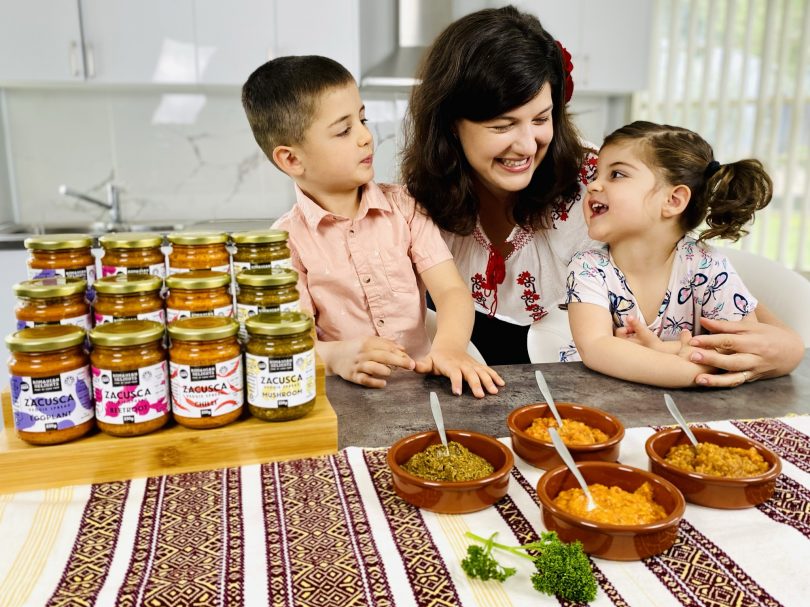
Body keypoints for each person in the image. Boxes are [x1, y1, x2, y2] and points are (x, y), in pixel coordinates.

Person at [400, 4, 804, 382]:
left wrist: (787, 348)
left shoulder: (598, 188)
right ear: (452, 123)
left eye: (541, 119)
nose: (526, 145)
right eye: (503, 126)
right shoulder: (413, 205)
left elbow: (681, 263)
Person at [241, 55, 503, 397]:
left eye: (363, 119)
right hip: (341, 399)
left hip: (423, 390)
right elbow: (289, 347)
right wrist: (335, 356)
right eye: (344, 130)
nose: (366, 136)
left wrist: (450, 348)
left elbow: (451, 292)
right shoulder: (284, 244)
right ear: (291, 159)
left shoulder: (405, 208)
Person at [562, 121, 772, 387]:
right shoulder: (587, 267)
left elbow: (741, 347)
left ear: (673, 201)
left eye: (616, 175)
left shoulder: (706, 266)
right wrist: (690, 368)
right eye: (595, 175)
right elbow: (596, 348)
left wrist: (661, 351)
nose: (592, 186)